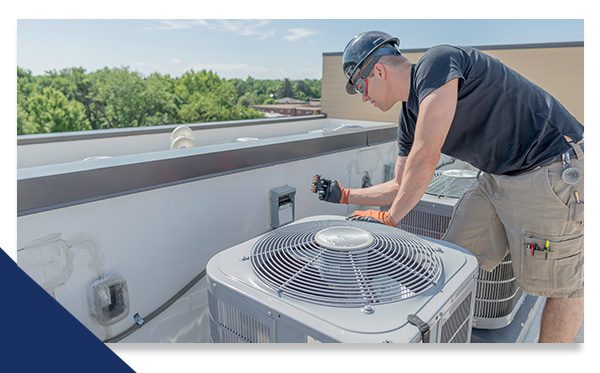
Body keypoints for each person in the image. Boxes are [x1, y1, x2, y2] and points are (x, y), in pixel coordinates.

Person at [311, 31, 584, 343]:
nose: (363, 97)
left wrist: (389, 217)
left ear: (378, 71)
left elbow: (425, 156)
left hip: (551, 165)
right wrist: (344, 195)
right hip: (499, 176)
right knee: (453, 257)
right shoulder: (409, 118)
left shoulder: (437, 62)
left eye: (360, 85)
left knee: (562, 286)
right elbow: (402, 184)